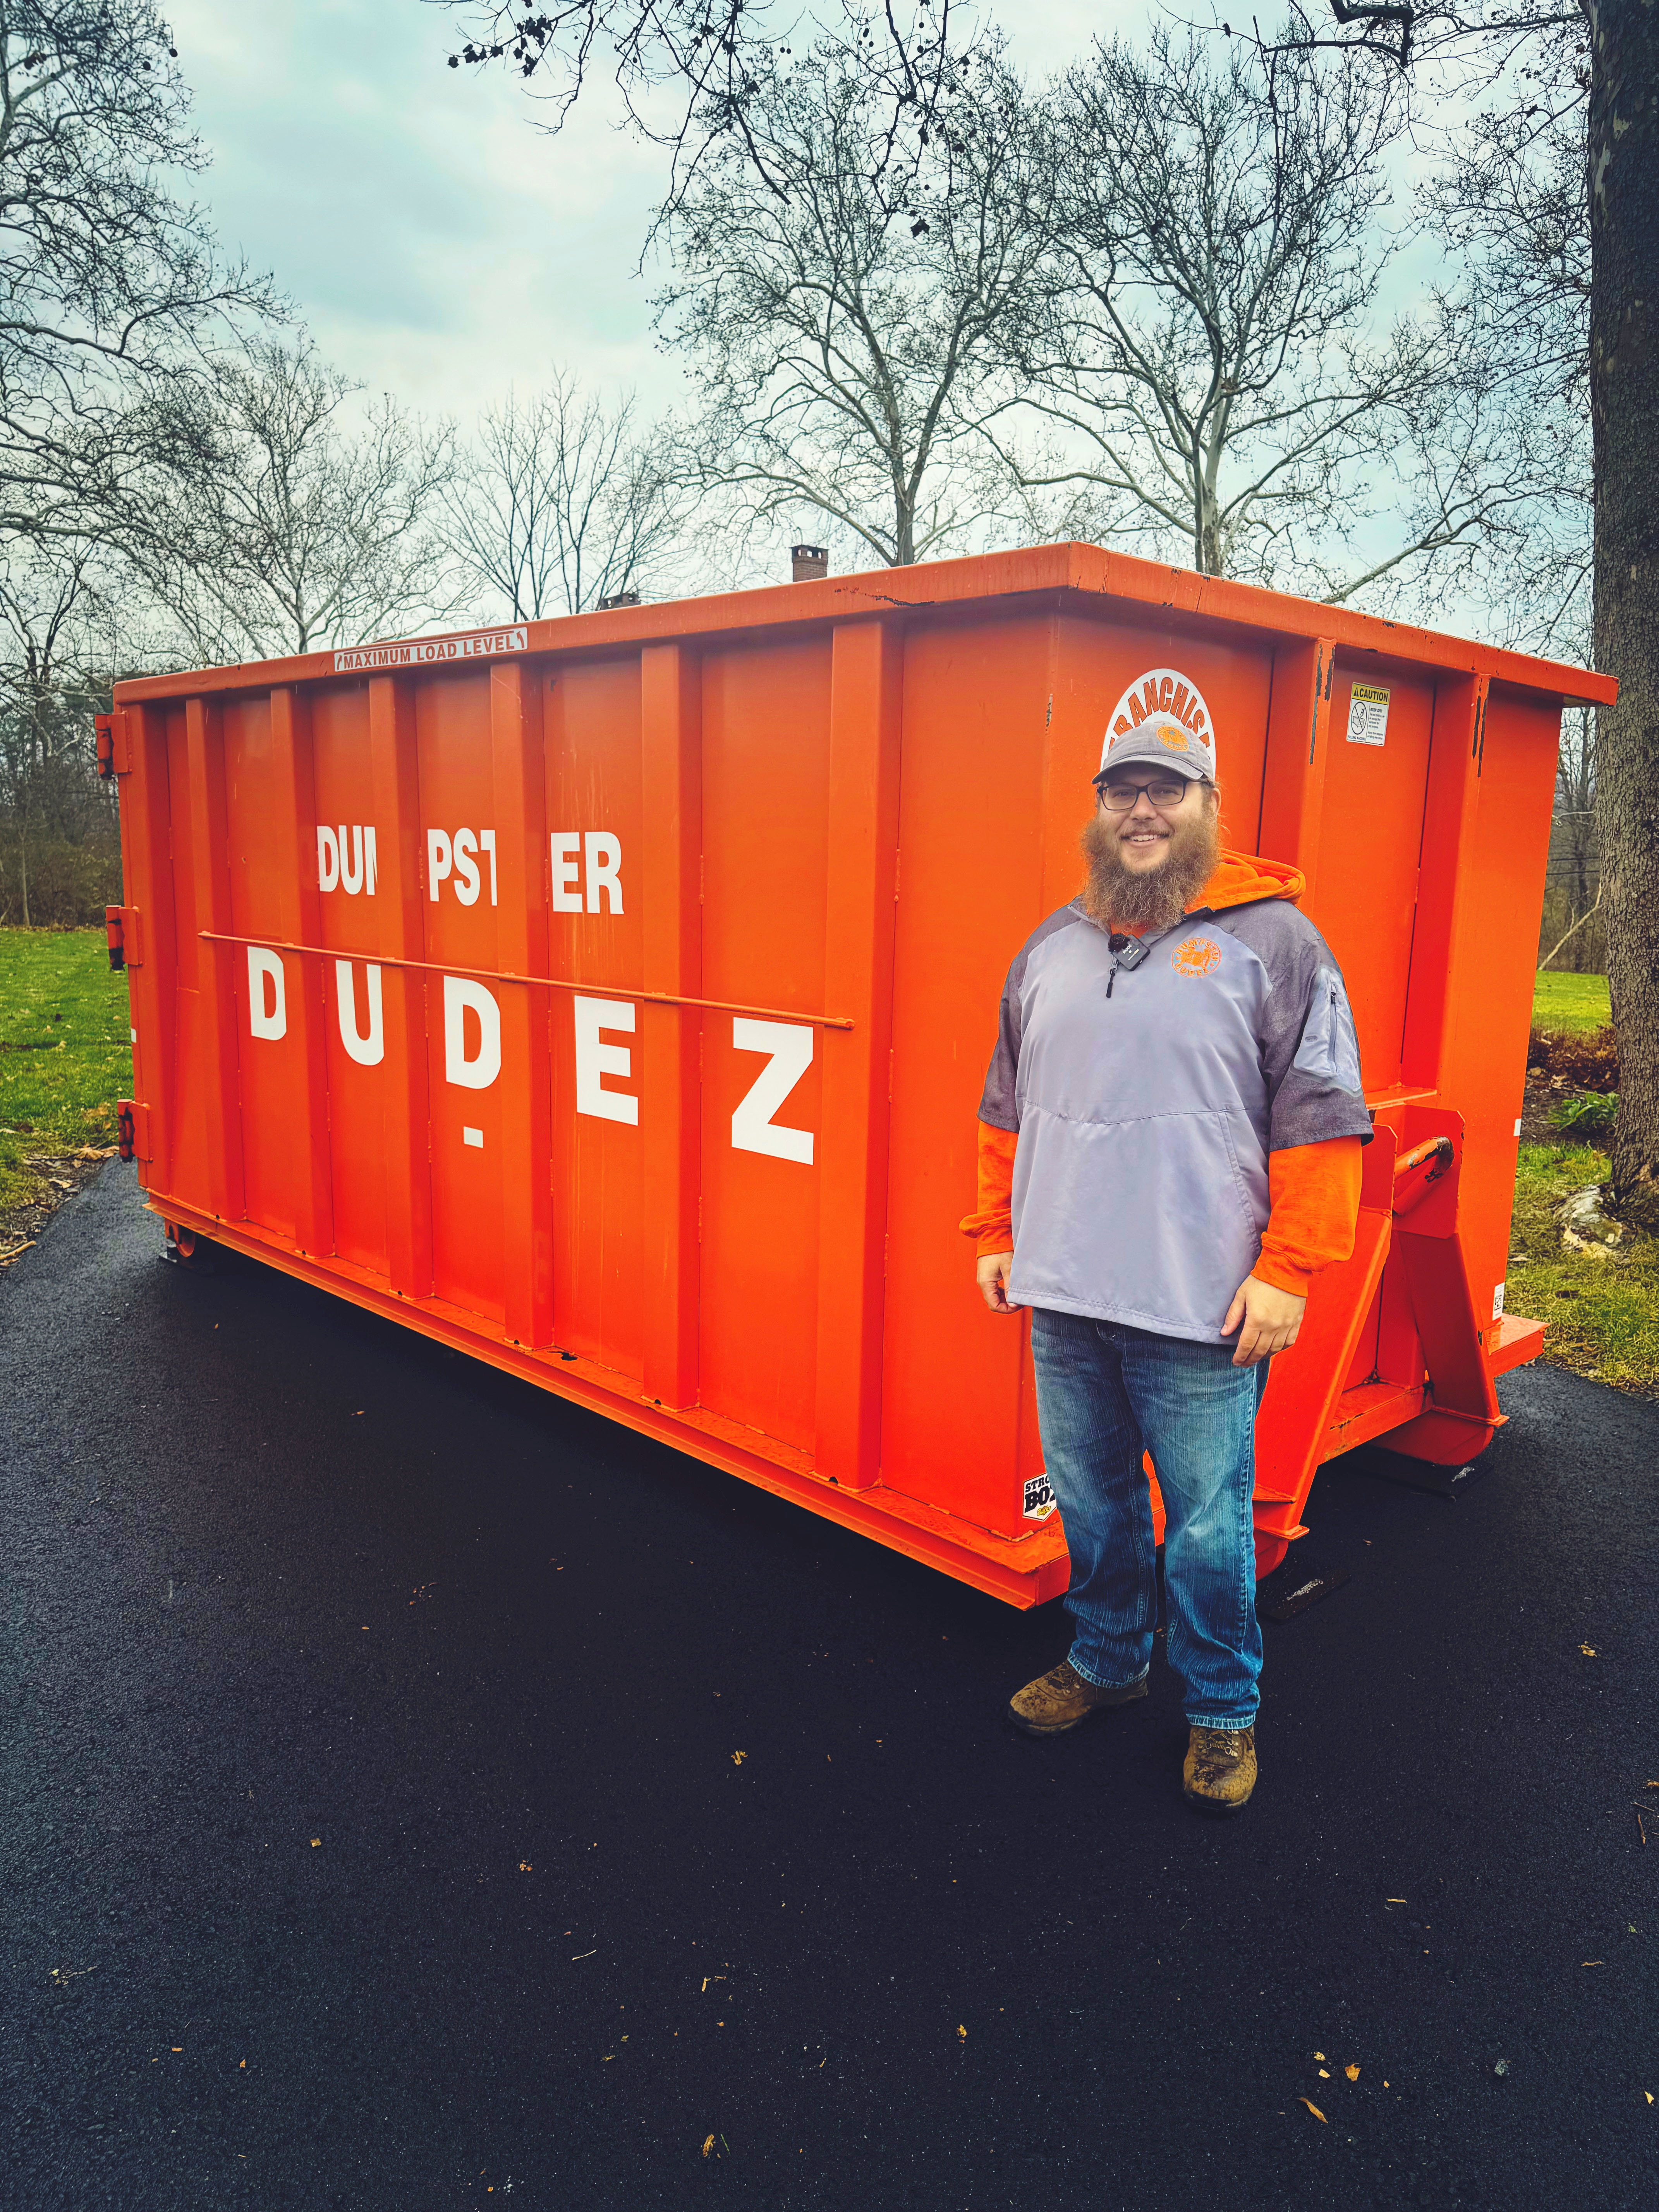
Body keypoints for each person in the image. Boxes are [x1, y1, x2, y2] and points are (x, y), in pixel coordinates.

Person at [962, 712, 1371, 1813]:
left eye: (1165, 790)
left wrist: (1289, 1267)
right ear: (1097, 812)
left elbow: (1324, 1119)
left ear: (1206, 804)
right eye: (1120, 793)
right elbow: (1005, 1110)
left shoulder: (1276, 942)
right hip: (1063, 1292)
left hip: (1199, 1305)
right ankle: (1104, 1661)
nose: (1140, 810)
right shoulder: (1048, 944)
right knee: (1093, 1505)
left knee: (1203, 1524)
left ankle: (1222, 1712)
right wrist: (994, 1233)